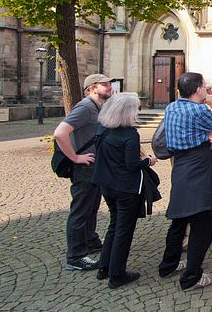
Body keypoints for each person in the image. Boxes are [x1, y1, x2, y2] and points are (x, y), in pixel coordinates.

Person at [158, 72, 212, 290]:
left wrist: (204, 136)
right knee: (202, 225)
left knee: (179, 219)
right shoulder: (199, 110)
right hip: (199, 169)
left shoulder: (172, 107)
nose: (206, 90)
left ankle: (169, 264)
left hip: (181, 166)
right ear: (198, 90)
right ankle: (191, 277)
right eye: (204, 87)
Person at [92, 92, 157, 289]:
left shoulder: (104, 129)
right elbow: (131, 165)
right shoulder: (129, 134)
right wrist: (148, 161)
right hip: (125, 188)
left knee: (114, 225)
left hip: (107, 184)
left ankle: (105, 266)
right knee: (123, 230)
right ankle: (117, 274)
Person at [53, 73, 112, 271]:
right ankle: (76, 257)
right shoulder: (85, 107)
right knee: (81, 211)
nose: (109, 86)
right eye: (105, 84)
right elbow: (60, 133)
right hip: (84, 167)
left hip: (95, 166)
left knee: (92, 206)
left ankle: (90, 240)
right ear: (91, 88)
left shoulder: (98, 107)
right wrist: (76, 157)